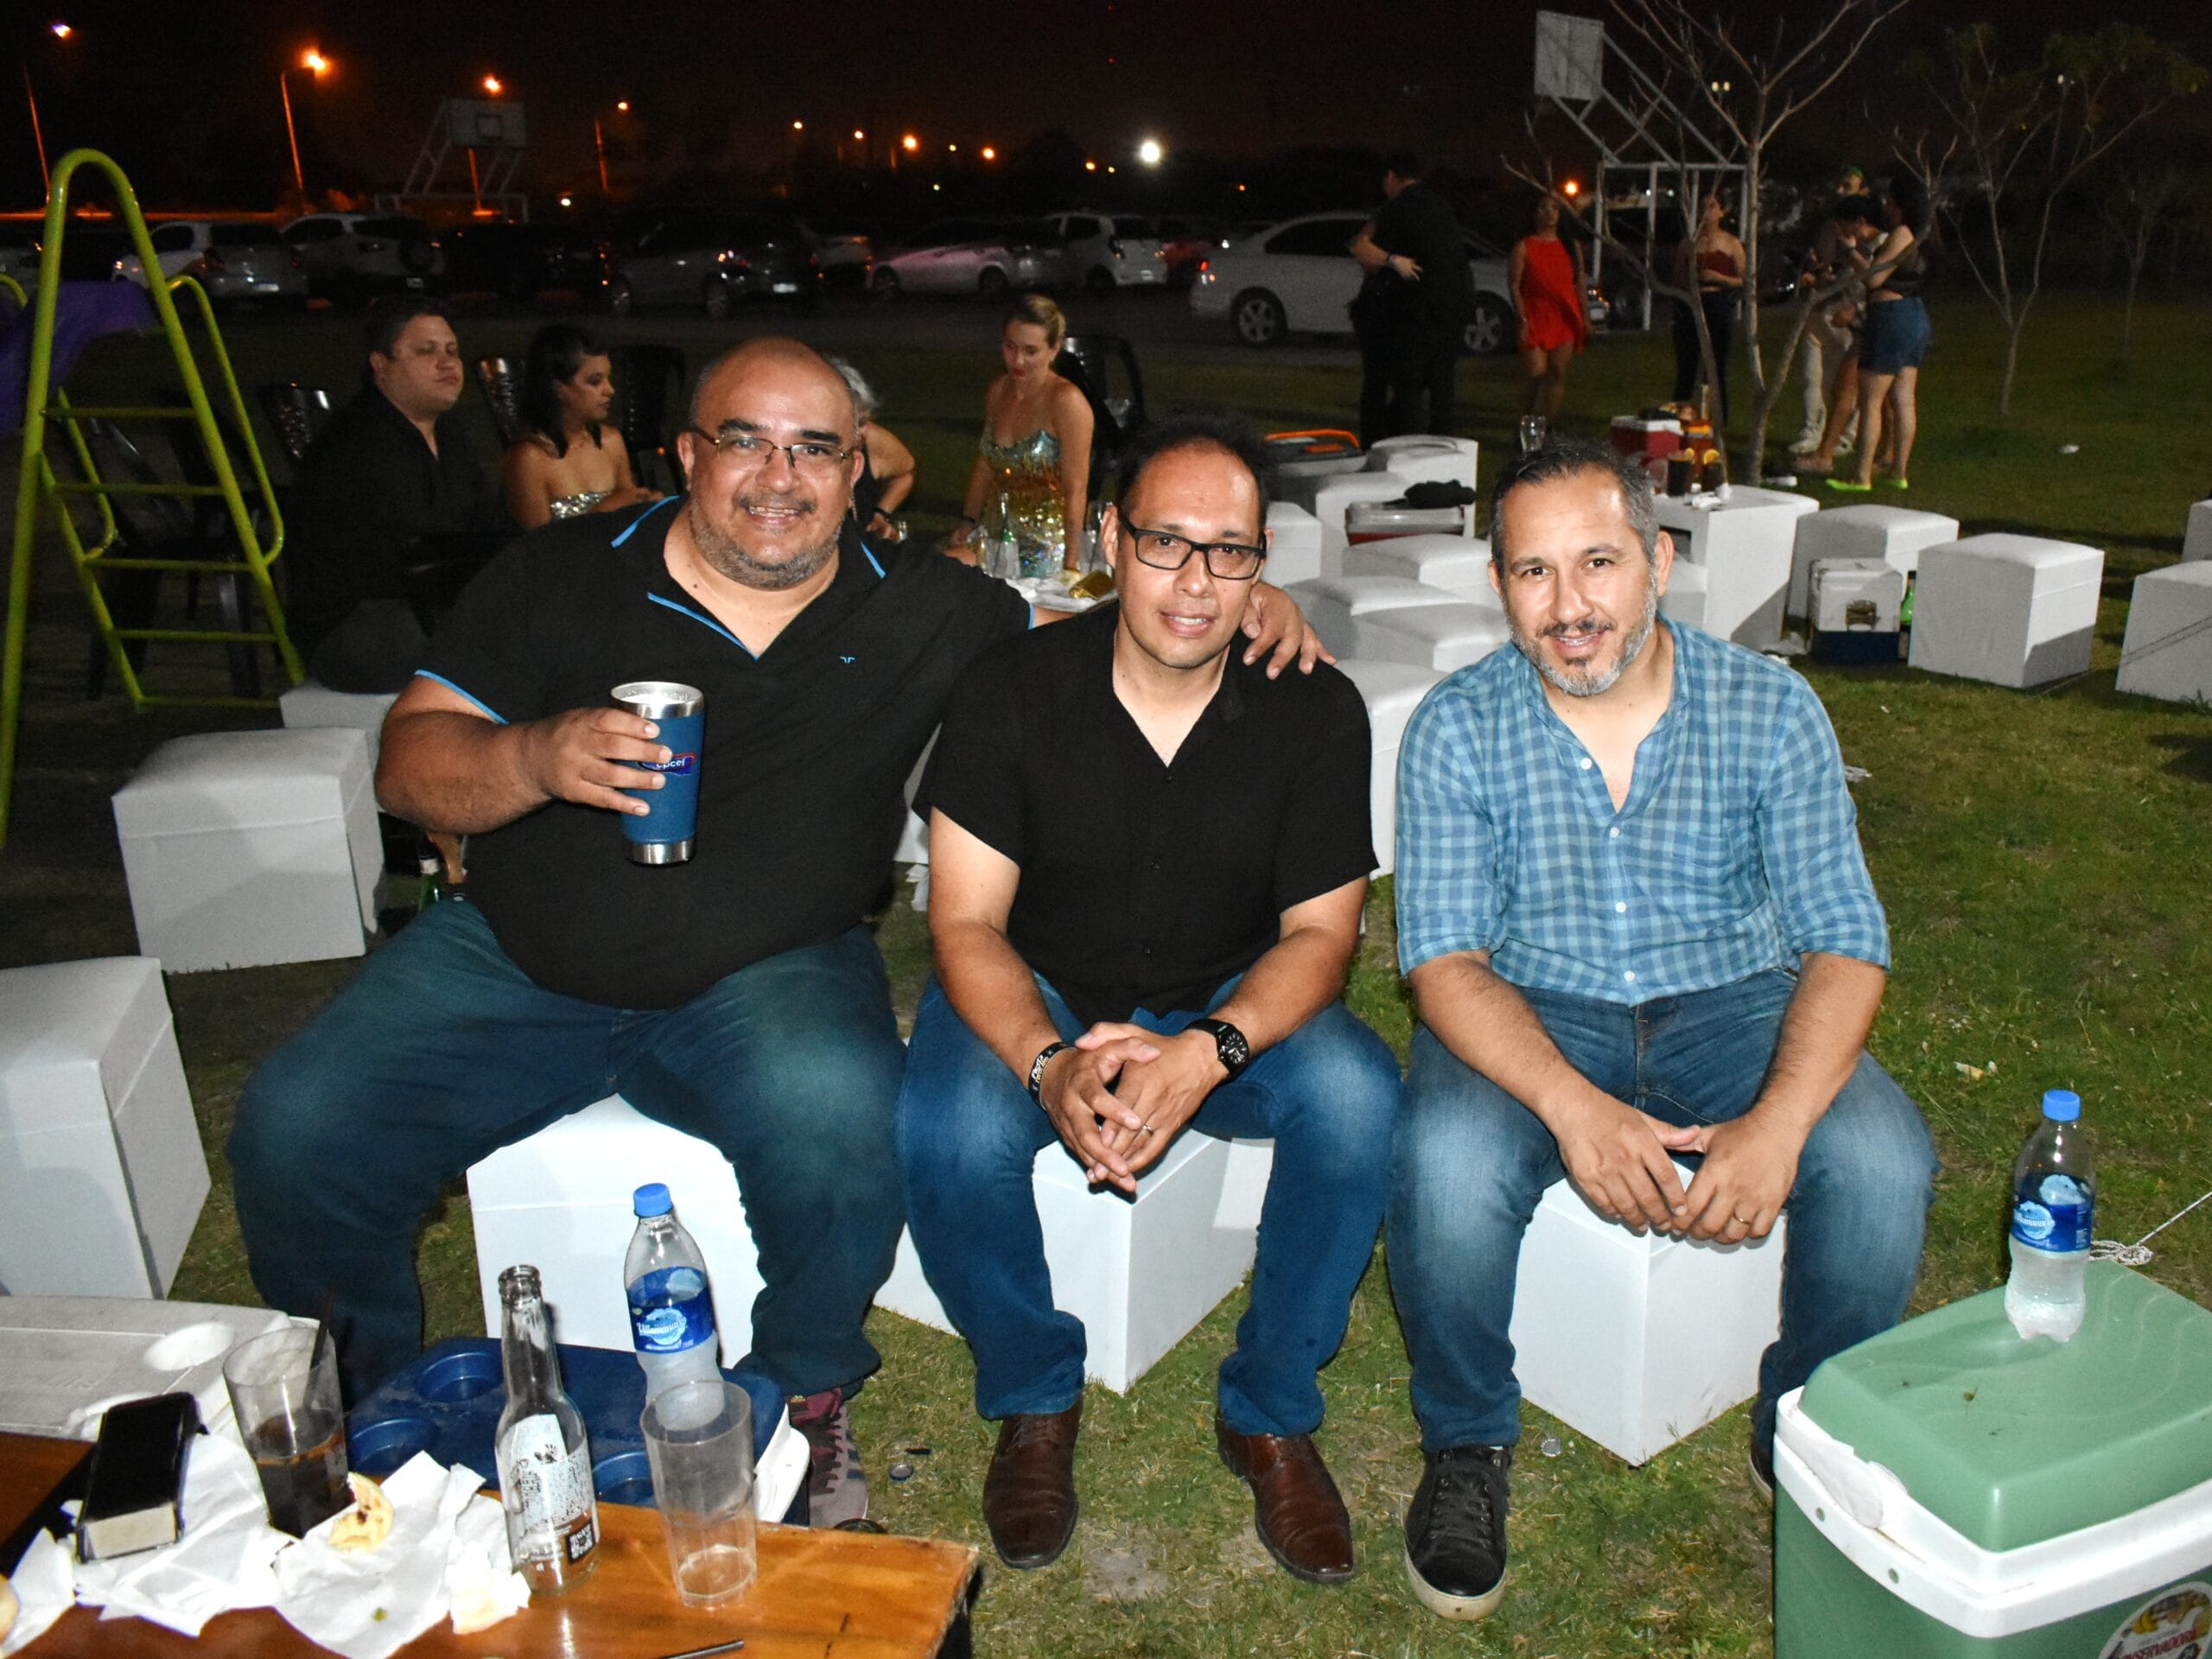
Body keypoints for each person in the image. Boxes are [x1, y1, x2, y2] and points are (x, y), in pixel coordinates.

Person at [226, 339, 1323, 1529]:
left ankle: (805, 1390)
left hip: (770, 969)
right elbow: (409, 761)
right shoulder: (561, 573)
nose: (778, 475)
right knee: (299, 1123)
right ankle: (373, 1412)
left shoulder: (929, 606)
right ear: (686, 454)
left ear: (857, 471)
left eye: (813, 448)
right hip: (518, 957)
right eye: (744, 439)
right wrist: (533, 756)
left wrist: (1242, 599)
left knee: (846, 1120)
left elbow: (1115, 627)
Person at [1386, 439, 1936, 1622]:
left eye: (1598, 563)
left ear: (1659, 562)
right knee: (1445, 1163)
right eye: (1533, 572)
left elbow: (1845, 939)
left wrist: (1777, 1125)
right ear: (1499, 585)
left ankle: (1803, 1423)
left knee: (1881, 1162)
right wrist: (1573, 1110)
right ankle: (1467, 1444)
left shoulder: (1769, 707)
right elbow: (1443, 963)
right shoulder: (1456, 726)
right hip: (1531, 1002)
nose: (1568, 606)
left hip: (1733, 1003)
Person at [895, 410, 1399, 1584]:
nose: (1196, 581)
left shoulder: (1314, 709)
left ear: (1261, 562)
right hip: (1042, 981)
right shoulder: (1012, 690)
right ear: (1113, 539)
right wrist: (1046, 1063)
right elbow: (964, 923)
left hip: (1226, 992)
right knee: (947, 1122)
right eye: (1167, 543)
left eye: (1230, 552)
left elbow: (1322, 936)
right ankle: (1032, 1391)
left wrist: (1209, 1052)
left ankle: (1269, 1406)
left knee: (1358, 1097)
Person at [283, 297, 512, 693]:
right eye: (426, 351)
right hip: (357, 625)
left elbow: (488, 524)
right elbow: (408, 554)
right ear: (380, 364)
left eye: (452, 351)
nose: (447, 363)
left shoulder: (450, 436)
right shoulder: (356, 443)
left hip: (426, 605)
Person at [948, 295, 1092, 573]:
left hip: (1046, 544)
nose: (1018, 360)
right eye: (1010, 347)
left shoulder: (1067, 402)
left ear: (1054, 349)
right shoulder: (998, 391)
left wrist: (1072, 563)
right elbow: (986, 464)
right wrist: (968, 521)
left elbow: (1076, 489)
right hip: (996, 535)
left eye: (1030, 351)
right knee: (941, 570)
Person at [1351, 152, 1475, 445]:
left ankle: (1408, 447)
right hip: (1455, 303)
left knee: (1407, 384)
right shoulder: (1441, 205)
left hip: (1419, 308)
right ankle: (1444, 447)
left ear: (1390, 177)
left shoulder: (1398, 207)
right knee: (1443, 384)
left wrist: (1391, 260)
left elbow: (1362, 249)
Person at [500, 325, 661, 529]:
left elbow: (628, 515)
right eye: (595, 381)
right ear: (558, 388)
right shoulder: (530, 458)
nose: (610, 390)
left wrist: (646, 505)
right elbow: (535, 543)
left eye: (608, 378)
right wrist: (600, 512)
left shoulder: (609, 442)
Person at [1830, 176, 1929, 493]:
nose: (1886, 206)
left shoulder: (1902, 233)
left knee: (1871, 401)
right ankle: (1898, 471)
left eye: (1890, 201)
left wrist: (1850, 251)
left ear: (1901, 204)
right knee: (1904, 399)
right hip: (1913, 315)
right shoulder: (1924, 234)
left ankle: (1861, 476)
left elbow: (1875, 278)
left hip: (1890, 317)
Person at [1790, 170, 1872, 457]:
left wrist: (1858, 306)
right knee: (1812, 377)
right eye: (1839, 185)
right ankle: (1811, 431)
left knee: (1845, 382)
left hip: (1846, 314)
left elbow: (1875, 277)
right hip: (1819, 309)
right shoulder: (1829, 225)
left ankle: (1845, 437)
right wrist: (1814, 274)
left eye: (1848, 186)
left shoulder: (1869, 232)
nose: (1840, 191)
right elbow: (1822, 263)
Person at [1510, 194, 1590, 424]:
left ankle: (1547, 425)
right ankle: (1523, 423)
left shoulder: (1570, 246)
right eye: (1543, 208)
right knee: (1535, 373)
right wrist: (1522, 318)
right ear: (1534, 214)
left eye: (1555, 208)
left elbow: (1579, 282)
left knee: (1557, 373)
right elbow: (1514, 285)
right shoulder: (1524, 247)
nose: (1549, 213)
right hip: (1535, 315)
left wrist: (1585, 317)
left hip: (1564, 316)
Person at [1670, 191, 1745, 426]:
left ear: (1721, 211)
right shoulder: (1689, 244)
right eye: (1702, 207)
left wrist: (1719, 278)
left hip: (1719, 304)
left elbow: (1744, 280)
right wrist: (1692, 280)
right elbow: (1677, 278)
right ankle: (1679, 416)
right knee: (1687, 366)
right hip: (1692, 305)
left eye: (1712, 206)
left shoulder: (1731, 243)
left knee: (1716, 366)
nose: (1707, 212)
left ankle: (1718, 419)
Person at [829, 358, 917, 543]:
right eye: (854, 423)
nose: (863, 433)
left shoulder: (872, 442)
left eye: (864, 422)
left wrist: (880, 514)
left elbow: (905, 473)